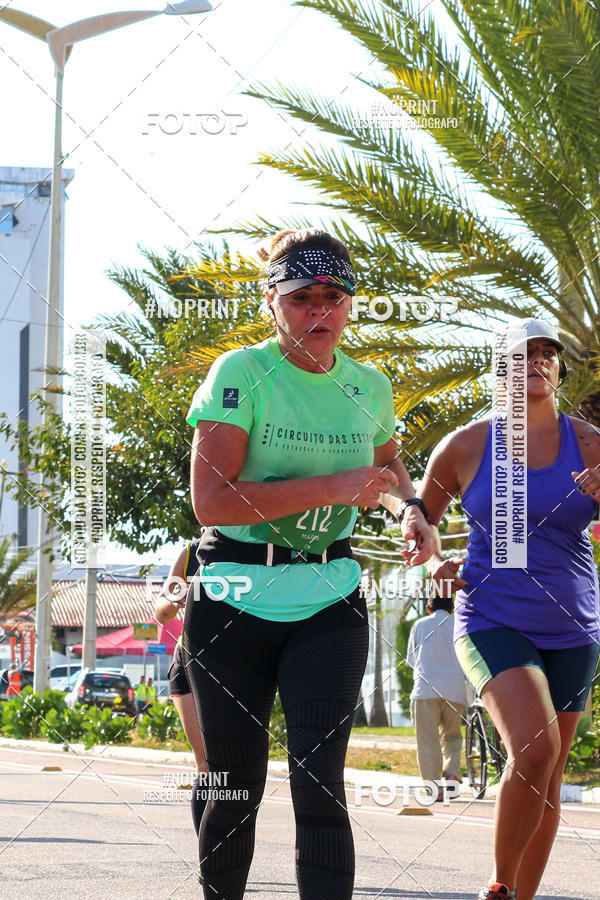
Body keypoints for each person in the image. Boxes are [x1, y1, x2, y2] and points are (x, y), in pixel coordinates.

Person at [182, 228, 436, 899]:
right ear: (274, 302)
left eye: (334, 295)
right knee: (234, 787)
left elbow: (385, 467)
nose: (319, 310)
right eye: (302, 298)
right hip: (234, 595)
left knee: (320, 781)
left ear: (351, 304)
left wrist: (411, 510)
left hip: (329, 596)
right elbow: (211, 501)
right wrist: (330, 487)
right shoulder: (240, 372)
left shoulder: (369, 385)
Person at [419, 318, 600, 900]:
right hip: (492, 617)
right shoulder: (466, 446)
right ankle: (499, 885)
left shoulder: (592, 443)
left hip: (574, 625)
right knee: (535, 747)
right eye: (522, 355)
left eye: (548, 354)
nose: (538, 362)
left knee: (549, 771)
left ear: (559, 368)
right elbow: (418, 522)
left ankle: (522, 897)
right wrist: (433, 563)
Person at [155, 540, 209, 836]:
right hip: (189, 659)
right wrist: (178, 599)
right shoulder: (192, 553)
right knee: (206, 764)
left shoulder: (257, 547)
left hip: (239, 666)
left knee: (237, 770)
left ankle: (229, 853)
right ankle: (209, 856)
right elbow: (162, 612)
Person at [406, 595, 467, 800]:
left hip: (425, 689)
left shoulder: (419, 625)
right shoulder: (460, 624)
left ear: (428, 608)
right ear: (452, 608)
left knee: (427, 740)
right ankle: (452, 775)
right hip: (455, 690)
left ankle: (434, 789)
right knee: (453, 736)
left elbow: (412, 660)